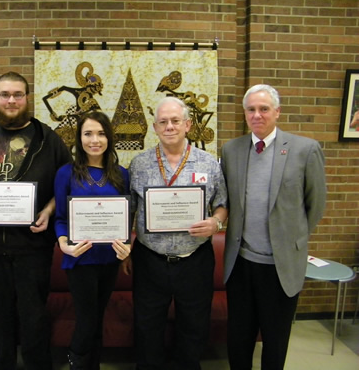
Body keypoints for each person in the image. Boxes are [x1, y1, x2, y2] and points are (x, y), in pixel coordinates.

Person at [0, 71, 72, 370]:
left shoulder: (50, 140)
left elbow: (66, 185)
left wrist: (48, 212)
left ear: (27, 97)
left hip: (32, 247)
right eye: (5, 94)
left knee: (34, 317)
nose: (11, 100)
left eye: (17, 94)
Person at [220, 84, 326, 370]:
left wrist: (291, 238)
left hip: (280, 266)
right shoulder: (232, 150)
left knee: (275, 340)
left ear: (277, 112)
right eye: (251, 109)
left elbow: (314, 206)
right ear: (244, 113)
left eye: (264, 109)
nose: (257, 115)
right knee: (239, 339)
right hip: (240, 264)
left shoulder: (305, 150)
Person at [127, 96, 228, 370]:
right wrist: (125, 250)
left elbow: (222, 204)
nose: (169, 126)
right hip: (150, 259)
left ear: (188, 124)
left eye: (175, 121)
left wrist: (216, 224)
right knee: (147, 326)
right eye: (163, 122)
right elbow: (129, 211)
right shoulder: (139, 164)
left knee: (194, 325)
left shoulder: (209, 164)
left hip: (195, 258)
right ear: (155, 127)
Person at [53, 111, 131, 369]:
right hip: (80, 260)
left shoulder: (121, 175)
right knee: (86, 321)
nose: (94, 140)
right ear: (79, 138)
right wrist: (64, 244)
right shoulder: (66, 174)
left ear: (109, 138)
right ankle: (76, 362)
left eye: (100, 133)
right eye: (88, 134)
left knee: (97, 319)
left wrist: (127, 246)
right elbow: (61, 218)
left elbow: (126, 219)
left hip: (109, 260)